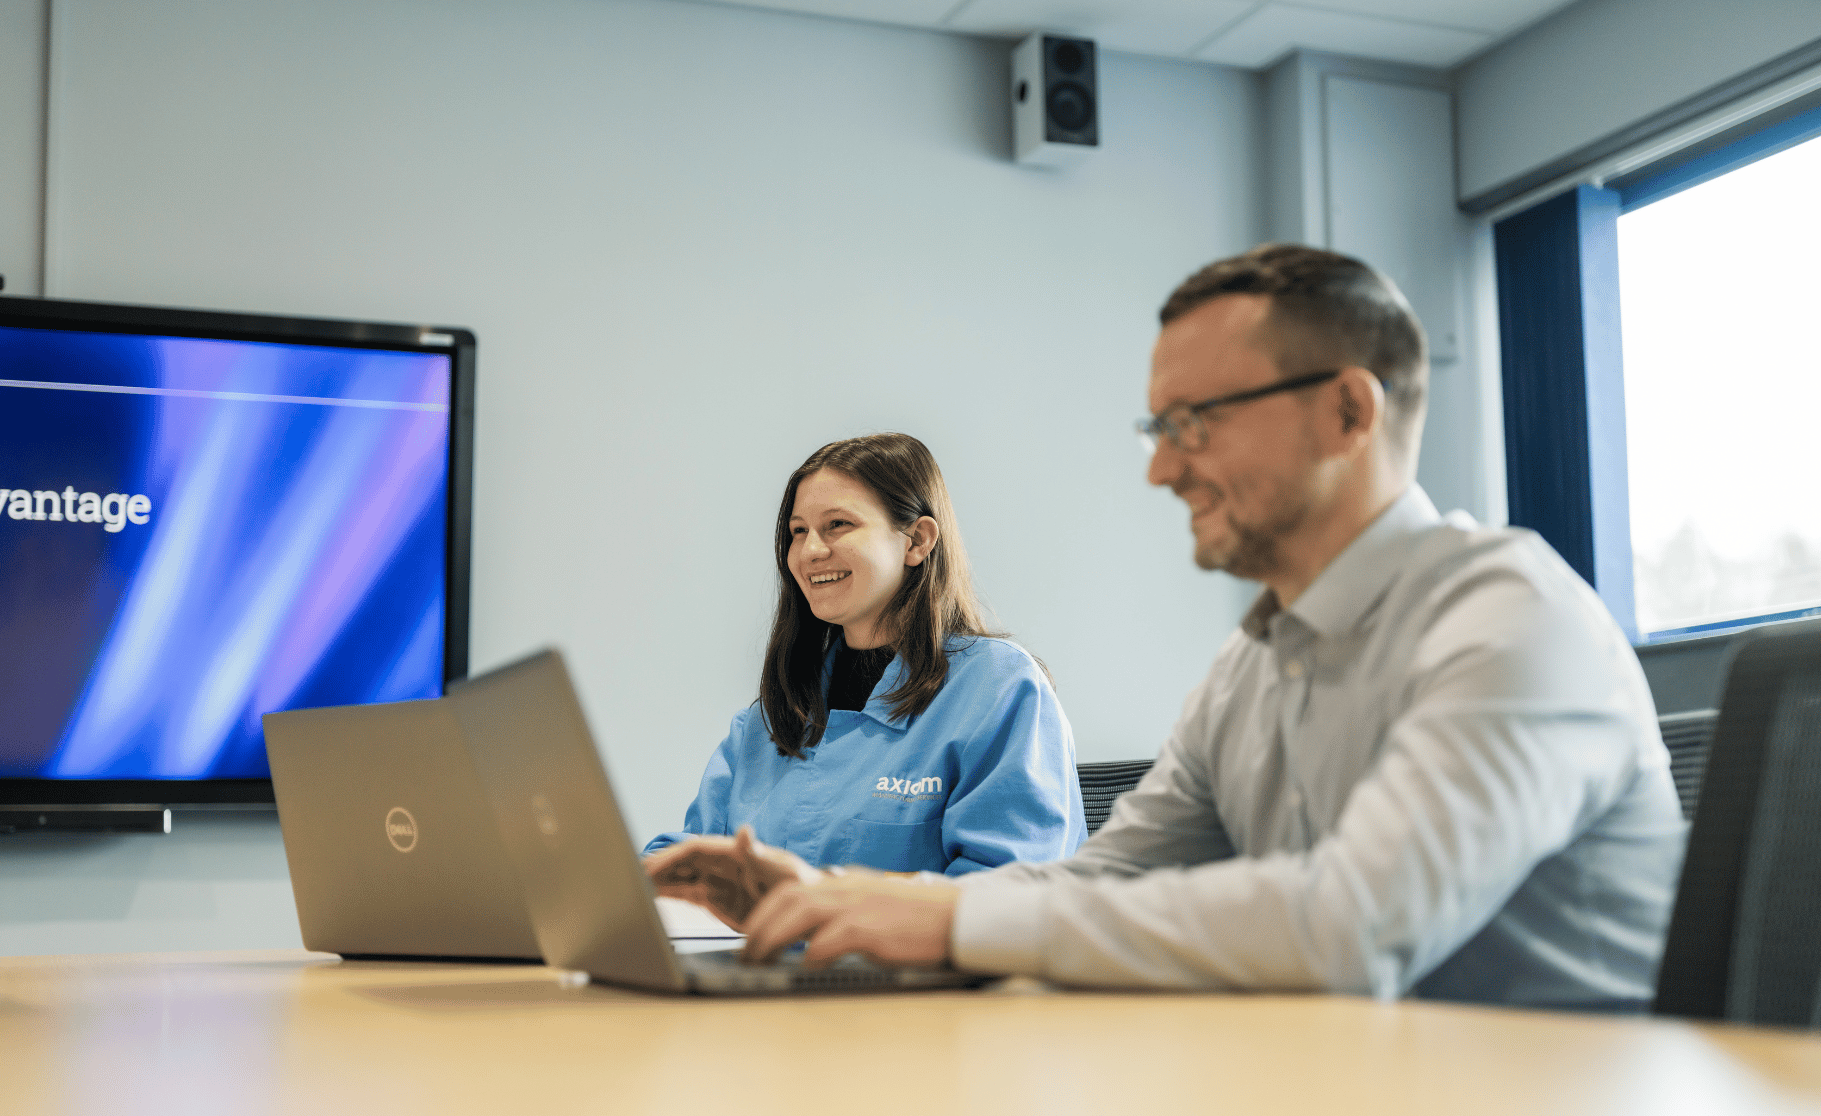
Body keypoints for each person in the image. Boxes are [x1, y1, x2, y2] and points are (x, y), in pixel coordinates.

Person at [659, 245, 1686, 1010]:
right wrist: (847, 900)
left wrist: (944, 913)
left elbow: (1349, 927)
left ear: (1346, 413)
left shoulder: (1510, 619)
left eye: (1196, 421)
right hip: (1365, 1115)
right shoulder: (1254, 663)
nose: (1160, 467)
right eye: (1158, 428)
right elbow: (1099, 879)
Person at [643, 432, 1085, 925]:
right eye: (797, 531)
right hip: (764, 990)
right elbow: (694, 856)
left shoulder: (1000, 689)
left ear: (916, 541)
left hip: (917, 996)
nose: (809, 551)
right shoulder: (772, 716)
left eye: (837, 525)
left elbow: (1008, 897)